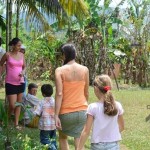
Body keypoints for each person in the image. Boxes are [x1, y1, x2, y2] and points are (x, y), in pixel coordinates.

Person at [55, 43, 89, 150]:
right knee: (79, 141)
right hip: (83, 111)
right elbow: (86, 92)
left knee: (63, 138)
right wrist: (83, 106)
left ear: (64, 55)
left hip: (65, 113)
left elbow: (59, 94)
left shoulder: (59, 70)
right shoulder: (85, 69)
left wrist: (56, 115)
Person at [77, 75, 124, 150]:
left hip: (97, 146)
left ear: (96, 88)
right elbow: (122, 127)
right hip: (113, 145)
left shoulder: (93, 107)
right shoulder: (118, 105)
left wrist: (79, 148)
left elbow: (86, 131)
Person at [0, 37, 26, 129]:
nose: (20, 47)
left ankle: (16, 124)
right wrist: (0, 75)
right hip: (10, 82)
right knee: (12, 104)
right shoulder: (7, 54)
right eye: (18, 45)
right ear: (13, 45)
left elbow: (24, 67)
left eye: (20, 45)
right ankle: (5, 119)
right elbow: (1, 63)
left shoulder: (22, 55)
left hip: (21, 82)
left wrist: (23, 72)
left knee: (18, 104)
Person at [34, 84, 57, 150]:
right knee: (53, 140)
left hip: (45, 126)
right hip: (54, 125)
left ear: (43, 94)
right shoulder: (55, 101)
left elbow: (37, 113)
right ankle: (54, 147)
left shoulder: (41, 102)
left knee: (45, 141)